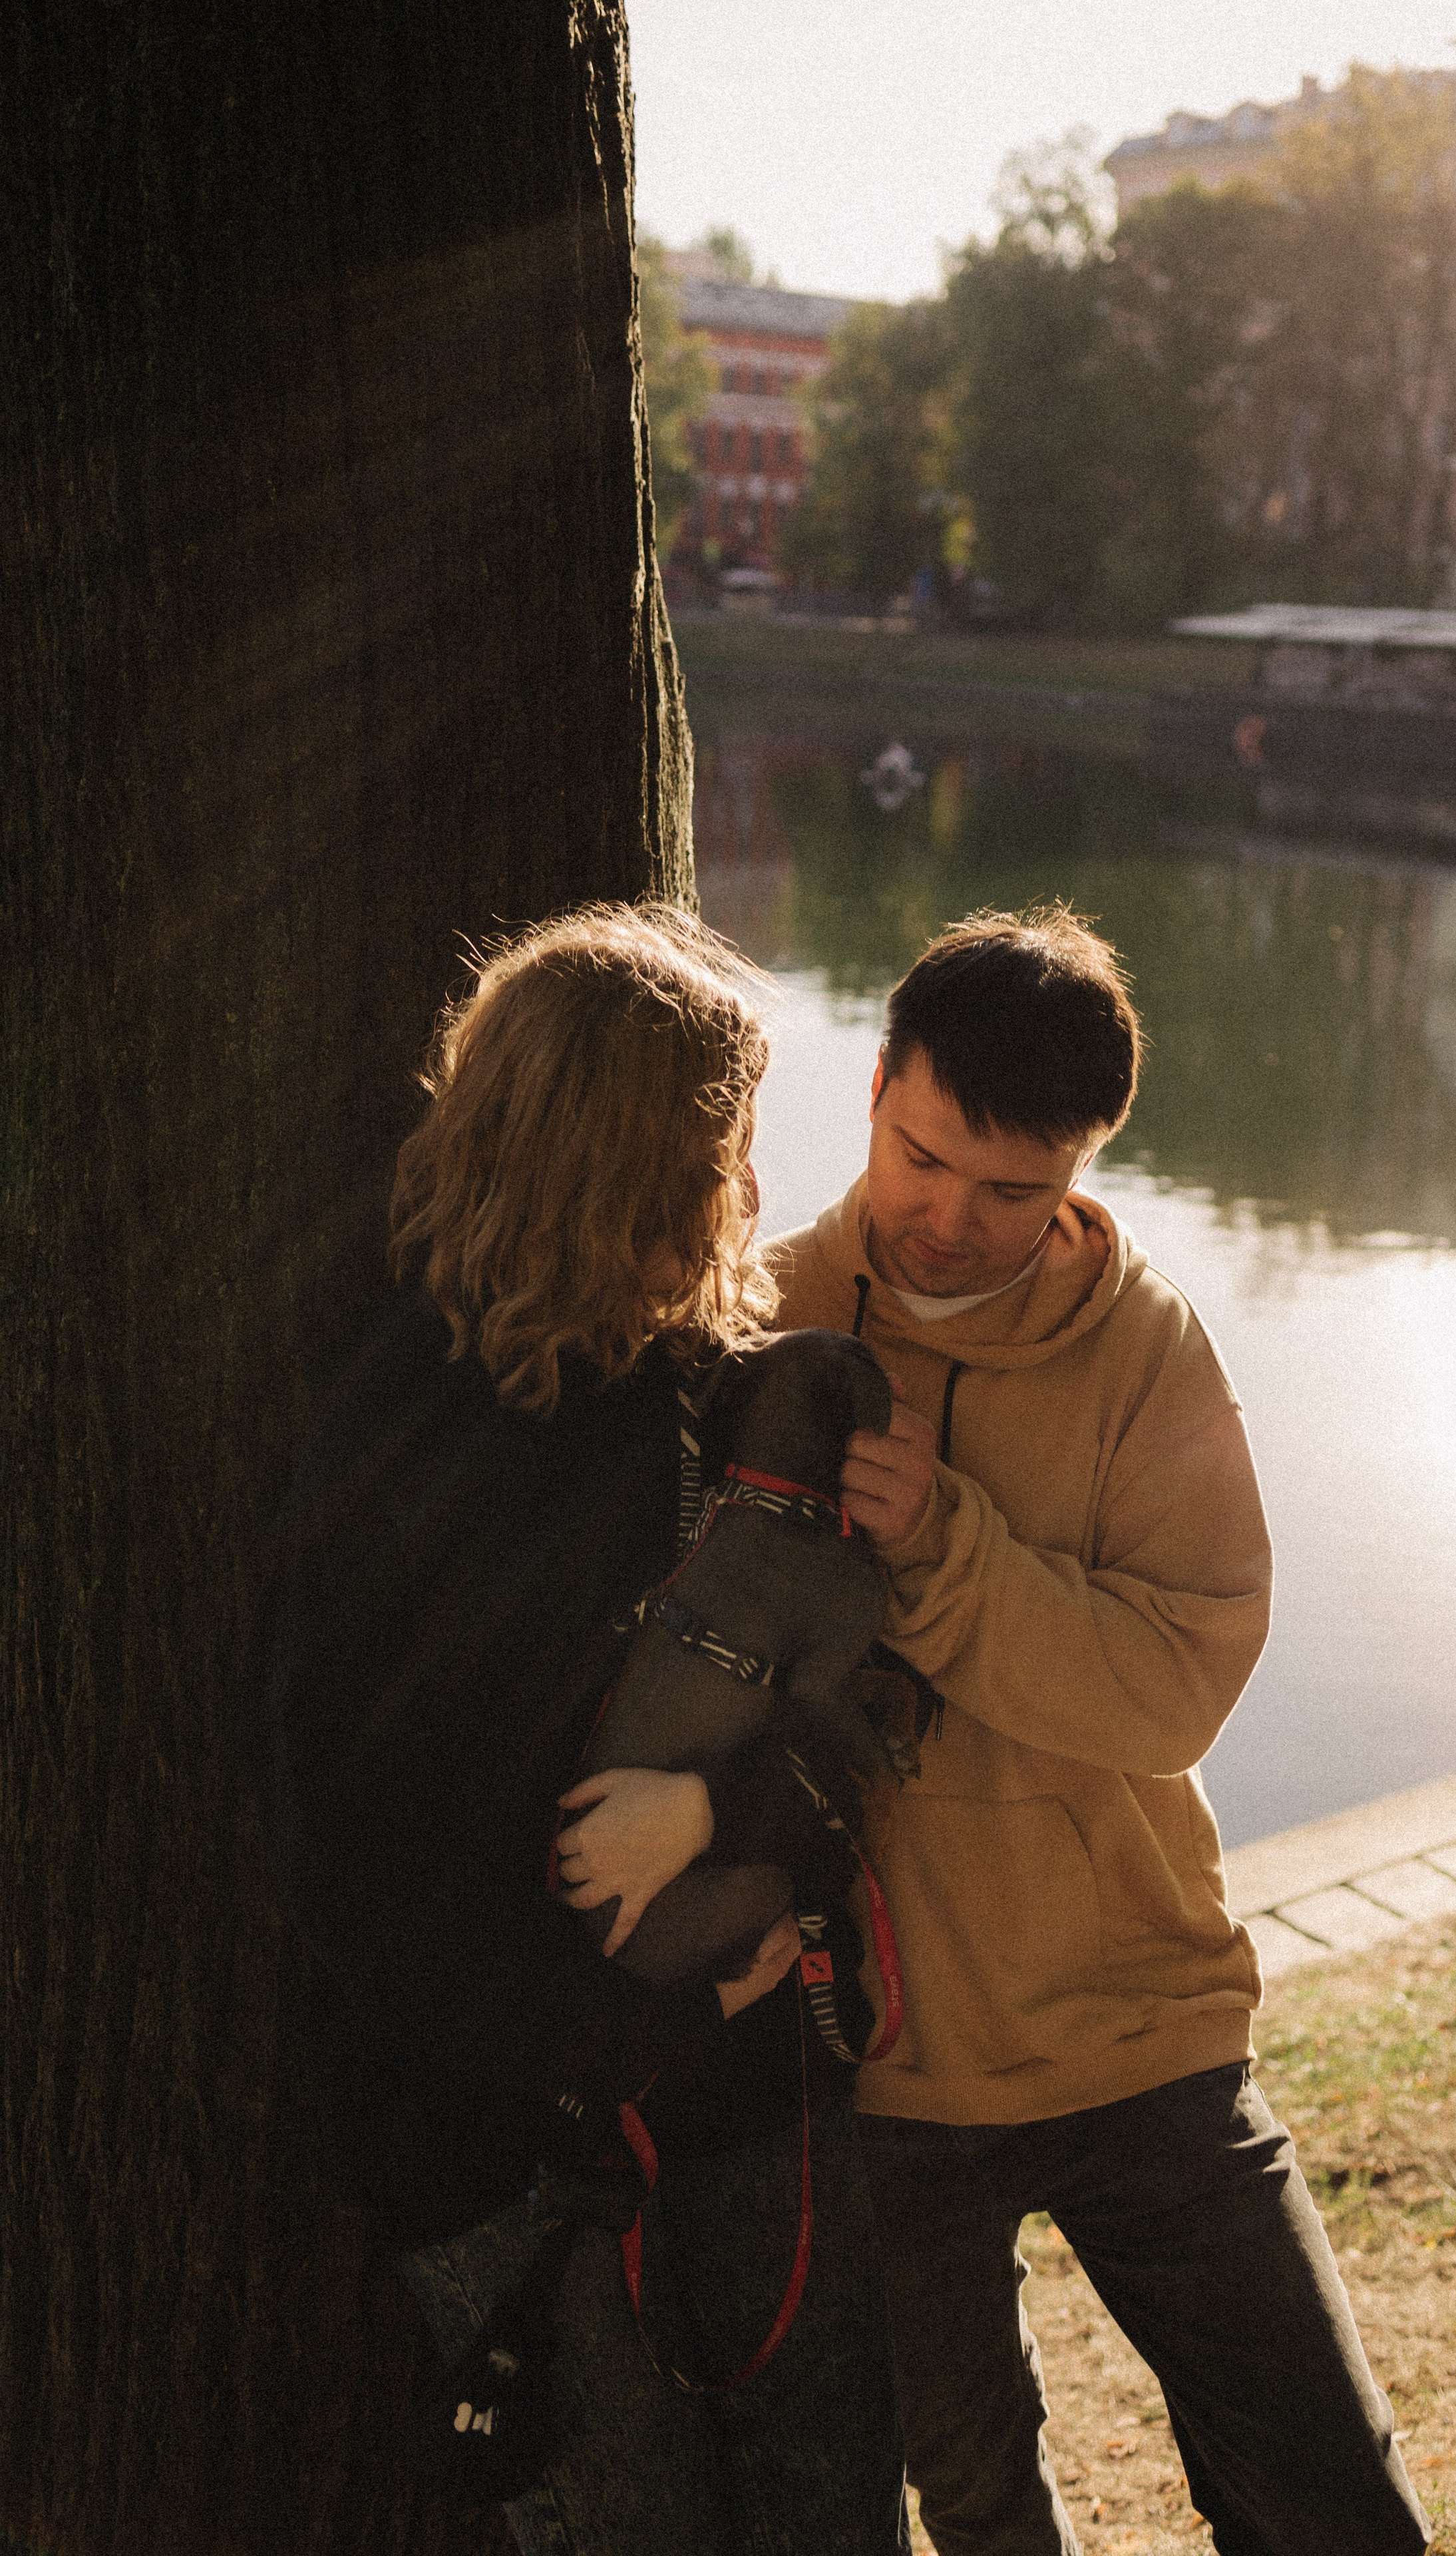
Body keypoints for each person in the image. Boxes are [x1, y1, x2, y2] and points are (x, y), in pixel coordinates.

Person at [767, 906, 1429, 2556]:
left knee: (1328, 2501)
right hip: (879, 2068)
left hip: (1141, 2029)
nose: (947, 1220)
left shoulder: (1145, 1349)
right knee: (982, 2520)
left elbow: (1172, 1688)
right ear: (874, 1086)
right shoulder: (764, 1314)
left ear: (1083, 1162)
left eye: (1013, 1191)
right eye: (921, 1158)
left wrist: (940, 1546)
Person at [250, 904, 908, 2556]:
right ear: (635, 1167)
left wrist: (738, 1834)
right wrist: (604, 2041)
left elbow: (864, 1708)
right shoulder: (394, 1426)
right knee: (626, 2526)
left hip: (744, 2075)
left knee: (825, 2494)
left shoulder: (724, 1401)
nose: (750, 1195)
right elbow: (344, 1848)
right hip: (497, 2128)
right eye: (727, 1148)